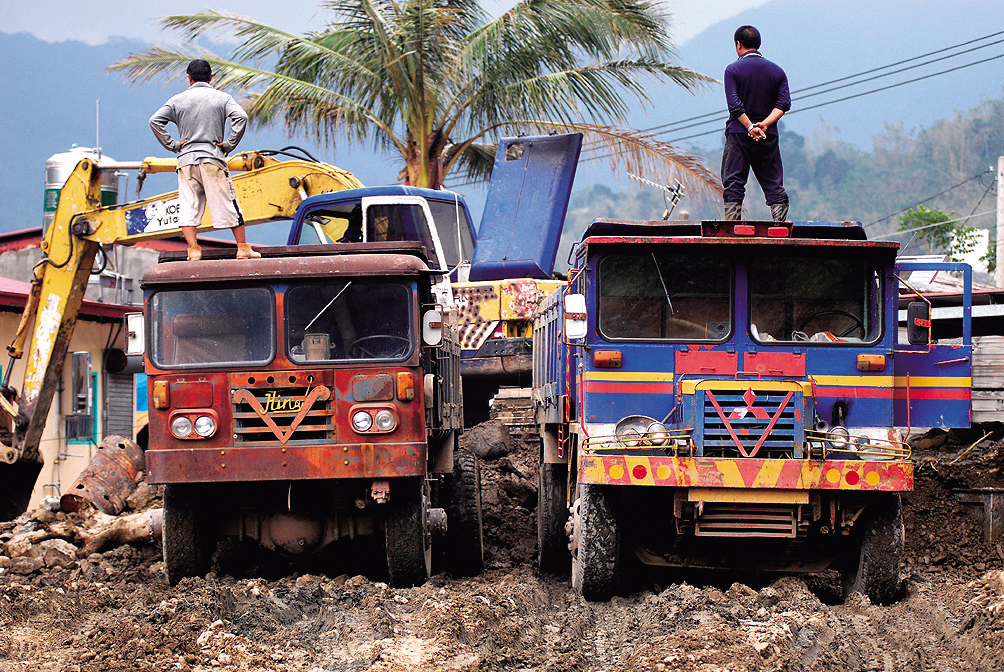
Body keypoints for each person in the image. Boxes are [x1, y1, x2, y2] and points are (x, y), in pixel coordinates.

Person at [150, 59, 259, 260]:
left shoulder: (177, 100)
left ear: (188, 78)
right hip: (212, 158)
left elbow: (155, 121)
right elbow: (241, 117)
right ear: (210, 77)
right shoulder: (222, 98)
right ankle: (243, 248)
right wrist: (229, 144)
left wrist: (173, 145)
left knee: (188, 205)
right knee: (227, 202)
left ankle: (193, 250)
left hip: (186, 161)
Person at [722, 25, 791, 222]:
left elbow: (734, 105)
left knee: (734, 182)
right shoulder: (777, 71)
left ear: (738, 45)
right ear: (758, 44)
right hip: (768, 136)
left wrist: (750, 127)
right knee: (773, 184)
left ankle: (732, 226)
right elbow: (783, 104)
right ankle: (779, 225)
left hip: (739, 135)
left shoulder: (733, 70)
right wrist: (765, 125)